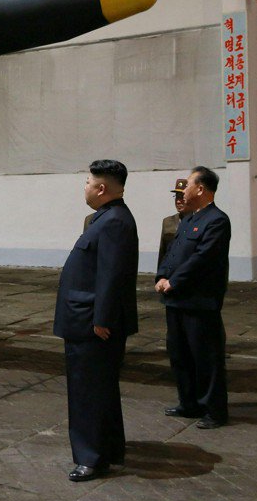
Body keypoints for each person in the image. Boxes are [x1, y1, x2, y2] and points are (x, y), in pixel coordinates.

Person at [54, 159, 139, 482]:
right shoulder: (107, 217)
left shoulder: (114, 221)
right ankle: (110, 449)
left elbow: (111, 275)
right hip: (88, 319)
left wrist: (102, 318)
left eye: (88, 182)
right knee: (101, 391)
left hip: (92, 324)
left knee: (87, 393)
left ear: (102, 188)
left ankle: (92, 458)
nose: (85, 187)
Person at [155, 166, 231, 429]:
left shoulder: (217, 220)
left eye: (187, 185)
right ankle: (188, 403)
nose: (183, 190)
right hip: (176, 300)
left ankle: (214, 410)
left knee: (206, 358)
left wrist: (174, 281)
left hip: (199, 302)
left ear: (200, 189)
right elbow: (172, 253)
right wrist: (161, 276)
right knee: (180, 355)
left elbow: (202, 259)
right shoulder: (188, 219)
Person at [158, 178, 190, 268]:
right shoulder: (167, 222)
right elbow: (162, 252)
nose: (178, 201)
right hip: (170, 272)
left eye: (182, 197)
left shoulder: (198, 222)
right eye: (177, 197)